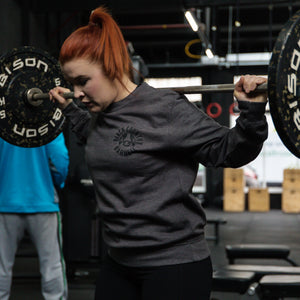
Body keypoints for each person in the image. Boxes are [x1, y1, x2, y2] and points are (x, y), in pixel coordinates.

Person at [49, 6, 268, 300]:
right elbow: (93, 135)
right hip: (118, 261)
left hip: (174, 264)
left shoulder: (167, 108)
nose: (76, 92)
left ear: (111, 65)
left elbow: (228, 151)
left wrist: (251, 111)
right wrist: (67, 108)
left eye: (83, 81)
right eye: (72, 83)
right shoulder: (100, 115)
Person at [0, 133, 69, 300]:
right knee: (52, 265)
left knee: (1, 267)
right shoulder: (47, 121)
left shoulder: (2, 119)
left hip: (5, 200)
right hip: (42, 199)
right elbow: (59, 158)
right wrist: (56, 181)